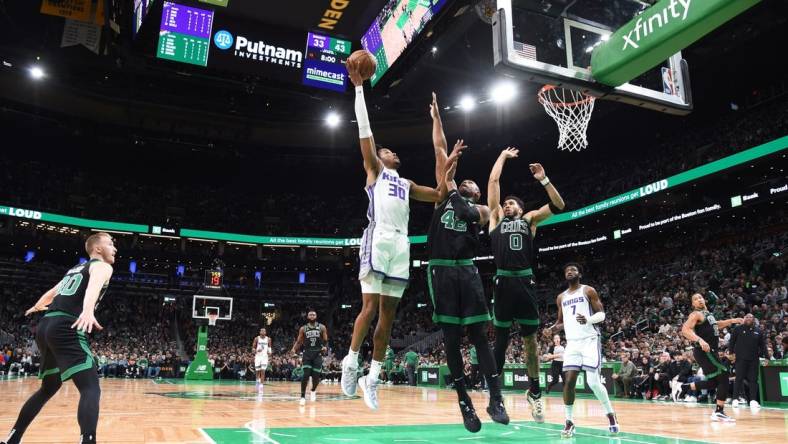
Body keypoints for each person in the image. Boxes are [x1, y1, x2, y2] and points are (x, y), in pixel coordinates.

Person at [340, 63, 449, 411]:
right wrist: (359, 88)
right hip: (378, 237)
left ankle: (372, 377)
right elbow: (365, 129)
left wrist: (446, 152)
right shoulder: (374, 170)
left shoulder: (407, 184)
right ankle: (351, 361)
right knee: (369, 307)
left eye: (391, 153)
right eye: (389, 151)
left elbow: (440, 194)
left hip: (402, 243)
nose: (393, 153)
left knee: (389, 316)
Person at [2, 232, 116, 444]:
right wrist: (88, 310)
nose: (115, 248)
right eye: (110, 244)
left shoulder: (74, 270)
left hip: (45, 326)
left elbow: (51, 293)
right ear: (97, 249)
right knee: (90, 387)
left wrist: (37, 306)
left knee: (49, 387)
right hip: (66, 326)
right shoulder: (102, 266)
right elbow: (94, 287)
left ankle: (12, 439)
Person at [426, 151, 509, 433]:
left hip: (467, 270)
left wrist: (453, 180)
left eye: (473, 183)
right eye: (464, 181)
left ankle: (495, 397)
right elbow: (441, 162)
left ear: (477, 192)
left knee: (479, 337)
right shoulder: (444, 196)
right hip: (442, 269)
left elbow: (472, 209)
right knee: (450, 339)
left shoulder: (483, 211)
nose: (468, 183)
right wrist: (450, 164)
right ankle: (464, 402)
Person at [487, 147, 565, 422]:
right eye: (505, 204)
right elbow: (493, 183)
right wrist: (502, 157)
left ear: (520, 209)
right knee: (500, 342)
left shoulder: (529, 219)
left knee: (530, 342)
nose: (507, 205)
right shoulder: (495, 219)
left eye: (512, 204)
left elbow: (559, 206)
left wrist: (544, 180)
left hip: (525, 281)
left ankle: (535, 392)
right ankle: (494, 396)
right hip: (503, 282)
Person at [543, 263, 619, 438]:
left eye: (573, 270)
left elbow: (602, 314)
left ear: (580, 274)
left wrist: (589, 319)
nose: (570, 271)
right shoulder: (561, 297)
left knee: (593, 383)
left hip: (590, 340)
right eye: (567, 270)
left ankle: (610, 414)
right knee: (568, 382)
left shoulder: (588, 291)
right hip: (572, 344)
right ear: (565, 275)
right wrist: (553, 329)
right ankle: (569, 421)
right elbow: (561, 321)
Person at [671, 293, 743, 422]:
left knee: (714, 382)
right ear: (693, 304)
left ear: (704, 300)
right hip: (705, 351)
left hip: (711, 352)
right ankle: (719, 411)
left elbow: (716, 325)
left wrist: (731, 321)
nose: (699, 299)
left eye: (700, 297)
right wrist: (700, 340)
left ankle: (682, 387)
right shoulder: (695, 314)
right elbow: (685, 330)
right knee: (724, 374)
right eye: (695, 299)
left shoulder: (708, 314)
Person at [290, 310, 328, 406]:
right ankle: (302, 396)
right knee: (305, 375)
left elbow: (325, 340)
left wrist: (324, 347)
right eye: (310, 314)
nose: (312, 316)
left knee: (316, 376)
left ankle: (313, 390)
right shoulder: (303, 328)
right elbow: (299, 341)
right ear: (307, 317)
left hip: (317, 354)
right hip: (307, 353)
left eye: (313, 314)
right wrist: (293, 349)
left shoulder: (322, 327)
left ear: (316, 316)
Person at [729, 313, 766, 408]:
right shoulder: (738, 329)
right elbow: (732, 342)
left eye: (751, 317)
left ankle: (753, 400)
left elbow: (762, 345)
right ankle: (735, 399)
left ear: (754, 320)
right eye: (747, 317)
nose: (748, 318)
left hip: (754, 359)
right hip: (741, 359)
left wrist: (766, 357)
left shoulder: (759, 331)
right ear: (744, 319)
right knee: (739, 379)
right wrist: (731, 353)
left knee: (753, 380)